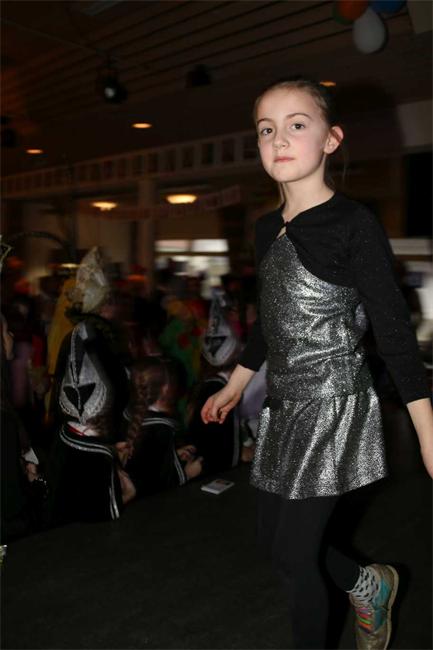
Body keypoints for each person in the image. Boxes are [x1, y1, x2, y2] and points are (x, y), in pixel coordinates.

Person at [201, 77, 433, 650]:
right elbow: (271, 321)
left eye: (297, 125)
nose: (279, 139)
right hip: (283, 407)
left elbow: (395, 334)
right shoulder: (265, 228)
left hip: (334, 406)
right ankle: (370, 585)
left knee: (296, 558)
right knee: (274, 544)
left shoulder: (354, 224)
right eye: (266, 129)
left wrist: (428, 432)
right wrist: (236, 384)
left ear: (331, 139)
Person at [121, 356, 203, 498]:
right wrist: (188, 473)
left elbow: (147, 462)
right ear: (166, 389)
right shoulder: (162, 428)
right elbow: (161, 482)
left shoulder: (129, 414)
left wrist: (173, 454)